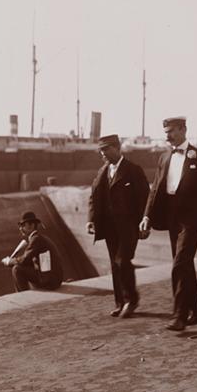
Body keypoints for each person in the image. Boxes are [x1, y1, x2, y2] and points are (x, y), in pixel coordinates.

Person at [139, 116, 197, 331]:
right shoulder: (164, 158)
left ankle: (179, 316)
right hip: (171, 217)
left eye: (172, 131)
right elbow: (155, 189)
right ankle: (196, 312)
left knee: (180, 264)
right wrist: (146, 216)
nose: (168, 136)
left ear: (184, 129)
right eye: (166, 133)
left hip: (192, 218)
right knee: (185, 264)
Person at [87, 134, 150, 318]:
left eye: (106, 149)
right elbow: (94, 196)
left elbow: (145, 198)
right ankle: (120, 302)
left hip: (128, 226)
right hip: (109, 227)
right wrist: (91, 219)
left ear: (117, 148)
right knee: (115, 265)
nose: (103, 154)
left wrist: (146, 222)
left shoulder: (133, 170)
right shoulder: (102, 171)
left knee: (122, 261)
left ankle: (131, 300)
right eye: (101, 150)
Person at [2, 211, 63, 292]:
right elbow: (28, 261)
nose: (20, 229)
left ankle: (23, 296)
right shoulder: (39, 238)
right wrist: (15, 261)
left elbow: (25, 259)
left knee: (16, 269)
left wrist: (10, 261)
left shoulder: (36, 239)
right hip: (54, 279)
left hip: (50, 281)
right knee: (21, 267)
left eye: (23, 225)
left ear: (32, 225)